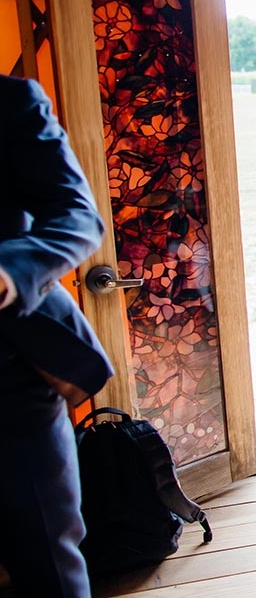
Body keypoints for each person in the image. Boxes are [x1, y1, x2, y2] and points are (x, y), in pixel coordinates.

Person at [0, 74, 114, 596]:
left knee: (47, 554)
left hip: (8, 375)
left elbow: (79, 216)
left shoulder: (9, 101)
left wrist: (9, 272)